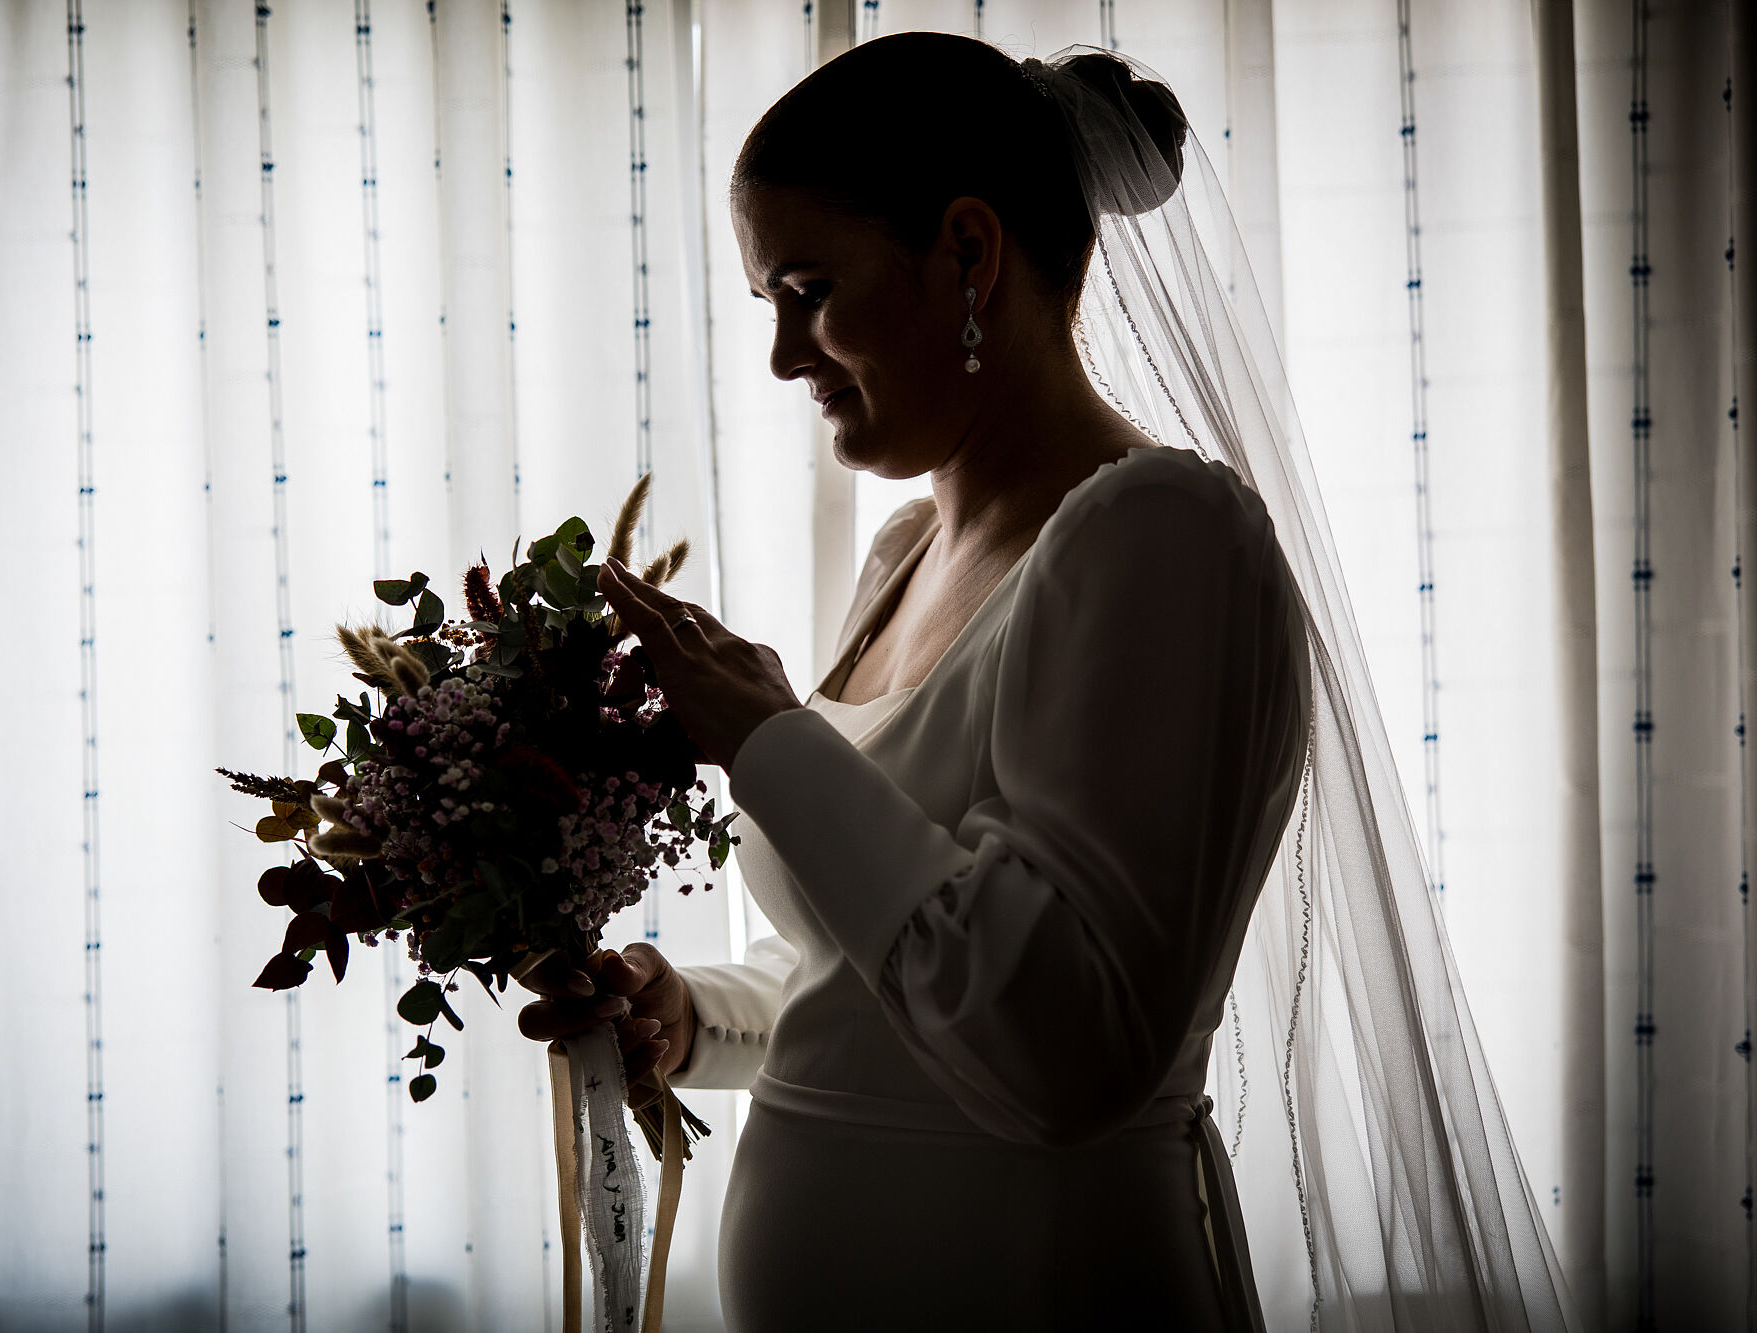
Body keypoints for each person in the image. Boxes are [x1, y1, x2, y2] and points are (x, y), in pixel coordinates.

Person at [522, 31, 1578, 1333]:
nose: (786, 357)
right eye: (769, 305)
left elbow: (1066, 1044)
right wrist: (697, 1019)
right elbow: (873, 971)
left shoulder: (1162, 535)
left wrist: (771, 740)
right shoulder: (905, 555)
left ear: (970, 252)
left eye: (809, 290)